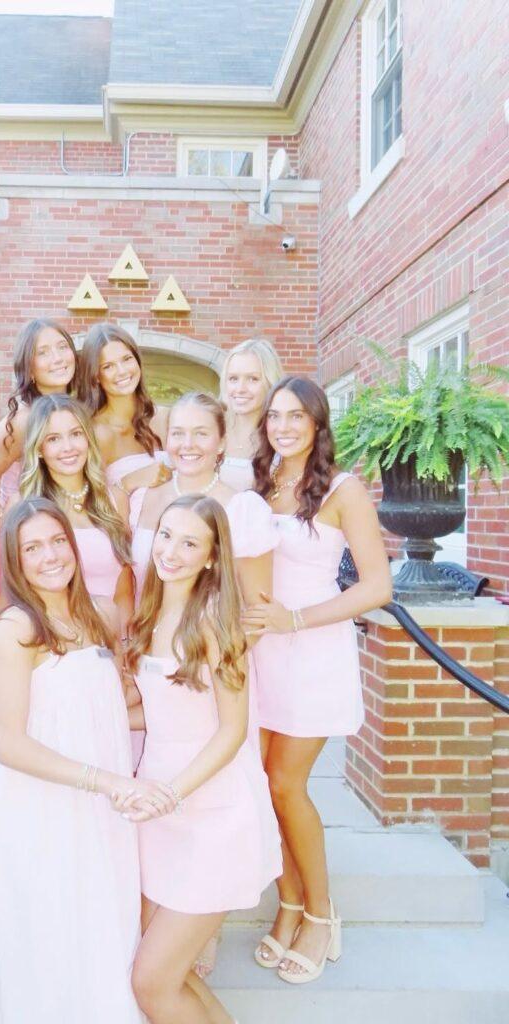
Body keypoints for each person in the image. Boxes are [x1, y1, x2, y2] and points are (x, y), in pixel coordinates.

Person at [0, 498, 174, 1023]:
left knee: (101, 922)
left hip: (101, 805)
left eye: (57, 541)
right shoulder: (16, 630)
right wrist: (107, 782)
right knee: (47, 933)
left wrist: (186, 719)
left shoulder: (101, 614)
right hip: (35, 804)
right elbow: (11, 744)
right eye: (32, 548)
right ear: (15, 561)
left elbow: (109, 710)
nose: (50, 556)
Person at [244, 376, 392, 984]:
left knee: (285, 784)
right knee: (257, 785)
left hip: (312, 651)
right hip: (259, 656)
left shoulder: (342, 489)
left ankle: (322, 912)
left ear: (317, 423)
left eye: (296, 417)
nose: (283, 427)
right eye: (275, 416)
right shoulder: (256, 484)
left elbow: (377, 587)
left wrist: (296, 619)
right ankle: (289, 903)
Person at [123, 495, 281, 1024]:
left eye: (189, 543)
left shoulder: (216, 619)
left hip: (212, 811)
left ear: (212, 556)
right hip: (159, 810)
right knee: (169, 971)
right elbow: (159, 713)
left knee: (152, 983)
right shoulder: (152, 610)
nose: (171, 552)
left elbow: (232, 731)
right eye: (166, 535)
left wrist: (173, 793)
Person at [129, 392, 277, 606]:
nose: (188, 444)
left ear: (221, 442)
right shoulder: (142, 499)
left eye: (201, 433)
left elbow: (258, 608)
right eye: (178, 433)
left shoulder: (244, 510)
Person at [10, 394, 134, 631]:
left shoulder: (115, 500)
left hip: (109, 638)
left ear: (88, 439)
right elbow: (11, 588)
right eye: (53, 438)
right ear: (39, 448)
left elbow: (124, 590)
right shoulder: (22, 505)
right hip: (50, 637)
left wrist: (125, 641)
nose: (68, 447)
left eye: (76, 434)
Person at [0, 318, 78, 508]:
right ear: (29, 368)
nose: (58, 358)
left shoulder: (77, 411)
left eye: (62, 347)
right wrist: (0, 518)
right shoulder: (22, 420)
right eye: (43, 352)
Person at [78, 321, 170, 492]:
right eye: (108, 366)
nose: (122, 371)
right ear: (96, 375)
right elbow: (89, 499)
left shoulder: (165, 418)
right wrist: (129, 481)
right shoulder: (96, 434)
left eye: (127, 359)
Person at [218, 337, 283, 491]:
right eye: (233, 378)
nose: (240, 388)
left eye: (253, 379)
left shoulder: (282, 435)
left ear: (270, 382)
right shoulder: (211, 428)